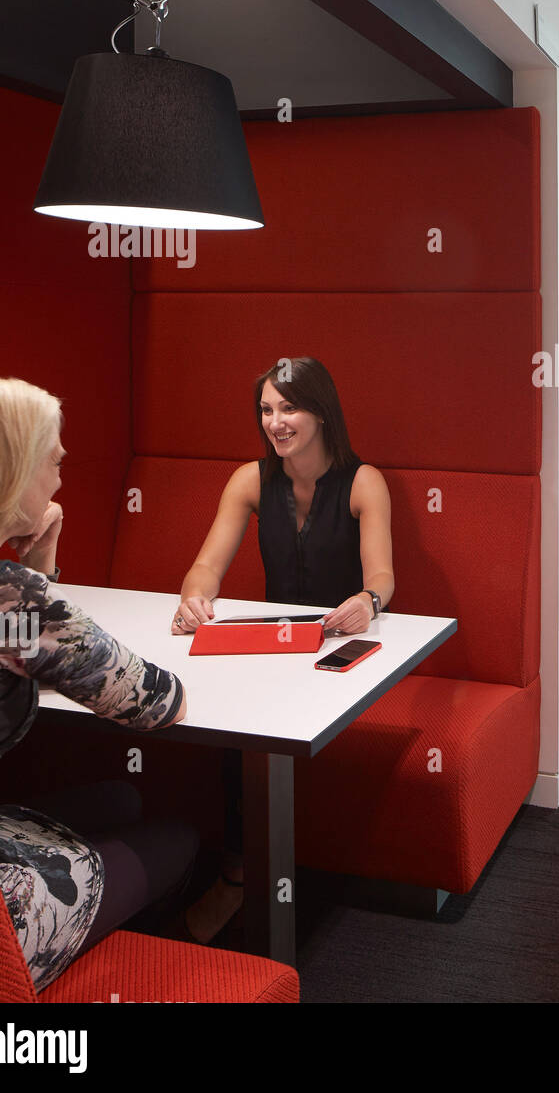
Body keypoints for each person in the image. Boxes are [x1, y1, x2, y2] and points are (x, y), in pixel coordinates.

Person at [0, 374, 196, 991]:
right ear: (9, 470)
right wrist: (34, 578)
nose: (60, 481)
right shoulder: (5, 596)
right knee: (178, 837)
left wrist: (29, 566)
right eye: (52, 464)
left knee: (123, 799)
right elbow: (158, 702)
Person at [171, 356, 394, 940]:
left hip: (337, 653)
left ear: (321, 412)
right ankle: (238, 877)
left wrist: (368, 600)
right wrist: (195, 598)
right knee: (225, 719)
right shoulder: (250, 480)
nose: (276, 422)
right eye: (267, 410)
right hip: (274, 648)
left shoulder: (363, 480)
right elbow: (204, 566)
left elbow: (383, 575)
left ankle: (245, 882)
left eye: (289, 408)